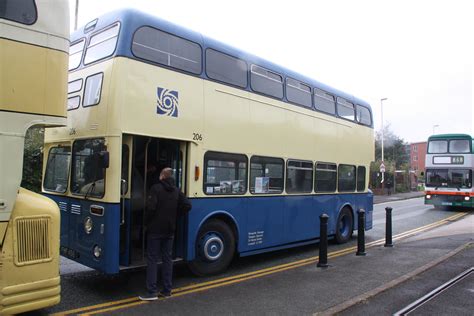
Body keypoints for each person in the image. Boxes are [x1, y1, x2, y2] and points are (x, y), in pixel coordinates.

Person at [139, 168, 192, 301]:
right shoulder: (176, 190)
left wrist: (145, 223)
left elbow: (151, 208)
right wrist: (175, 216)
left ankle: (152, 292)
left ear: (162, 176)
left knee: (152, 259)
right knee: (167, 259)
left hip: (155, 230)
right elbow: (187, 205)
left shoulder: (155, 189)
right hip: (169, 230)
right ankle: (167, 290)